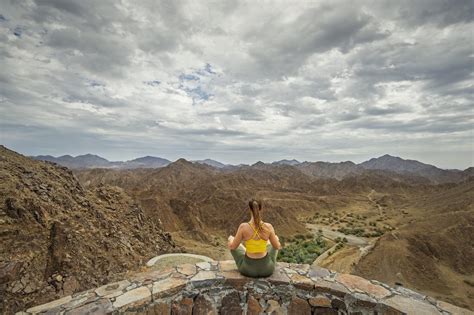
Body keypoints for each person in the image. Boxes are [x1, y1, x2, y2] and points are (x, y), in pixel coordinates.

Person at [227, 199, 282, 277]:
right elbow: (277, 247)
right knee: (275, 240)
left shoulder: (243, 227)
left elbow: (233, 247)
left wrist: (230, 241)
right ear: (261, 209)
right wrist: (276, 240)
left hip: (247, 270)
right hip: (267, 270)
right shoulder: (268, 227)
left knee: (231, 240)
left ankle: (247, 251)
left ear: (249, 209)